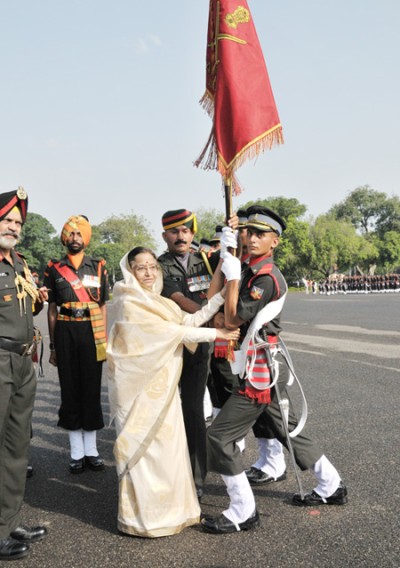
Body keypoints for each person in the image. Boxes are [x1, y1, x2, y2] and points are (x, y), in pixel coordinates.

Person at [201, 206, 348, 535]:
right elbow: (210, 303)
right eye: (248, 232)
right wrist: (226, 258)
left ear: (275, 242)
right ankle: (331, 484)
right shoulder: (249, 268)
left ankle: (243, 508)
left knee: (218, 436)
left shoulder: (264, 278)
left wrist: (234, 274)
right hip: (256, 364)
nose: (251, 238)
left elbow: (230, 319)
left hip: (260, 371)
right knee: (288, 430)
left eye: (260, 234)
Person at [106, 246, 239, 537]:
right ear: (130, 270)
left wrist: (222, 294)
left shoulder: (159, 302)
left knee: (167, 452)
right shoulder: (128, 301)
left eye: (153, 266)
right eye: (141, 267)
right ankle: (142, 521)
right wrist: (218, 334)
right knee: (144, 455)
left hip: (162, 391)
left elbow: (188, 320)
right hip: (138, 393)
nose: (149, 273)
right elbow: (174, 333)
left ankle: (173, 512)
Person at [157, 209, 223, 498]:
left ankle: (197, 475)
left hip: (200, 342)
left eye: (185, 231)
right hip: (170, 344)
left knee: (193, 407)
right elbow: (179, 298)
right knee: (167, 408)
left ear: (193, 234)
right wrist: (211, 314)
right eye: (174, 231)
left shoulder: (207, 261)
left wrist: (230, 236)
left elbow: (232, 268)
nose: (180, 236)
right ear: (165, 236)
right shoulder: (157, 266)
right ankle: (168, 468)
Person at [0, 188, 48, 561]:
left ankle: (8, 520)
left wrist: (37, 299)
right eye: (7, 220)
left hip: (22, 361)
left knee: (16, 446)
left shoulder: (19, 263)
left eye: (17, 222)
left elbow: (23, 311)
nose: (13, 226)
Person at [43, 215, 109, 474]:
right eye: (70, 234)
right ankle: (76, 452)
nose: (75, 238)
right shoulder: (53, 267)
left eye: (79, 233)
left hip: (92, 332)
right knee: (70, 389)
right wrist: (53, 347)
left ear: (86, 237)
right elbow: (50, 310)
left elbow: (102, 306)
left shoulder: (99, 266)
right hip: (65, 330)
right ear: (64, 237)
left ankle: (91, 451)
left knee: (91, 389)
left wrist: (102, 340)